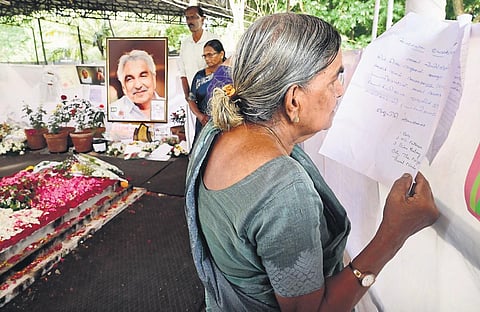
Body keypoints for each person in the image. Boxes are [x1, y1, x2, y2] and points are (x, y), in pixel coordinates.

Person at [185, 13, 439, 311]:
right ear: (294, 101)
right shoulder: (284, 193)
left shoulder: (218, 129)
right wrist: (394, 232)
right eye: (335, 78)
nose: (340, 90)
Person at [178, 5, 220, 146]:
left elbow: (225, 66)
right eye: (187, 18)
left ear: (203, 19)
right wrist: (188, 98)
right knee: (196, 137)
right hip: (193, 99)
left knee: (216, 139)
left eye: (194, 17)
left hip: (215, 98)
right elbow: (182, 73)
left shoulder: (214, 40)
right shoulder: (185, 44)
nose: (190, 21)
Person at [188, 39, 226, 145]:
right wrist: (200, 116)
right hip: (204, 123)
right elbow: (191, 99)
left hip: (224, 124)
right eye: (204, 56)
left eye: (210, 55)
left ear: (221, 54)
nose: (207, 59)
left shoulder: (230, 74)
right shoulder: (199, 76)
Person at [109, 49, 164, 121]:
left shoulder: (170, 107)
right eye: (130, 79)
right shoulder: (112, 113)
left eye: (143, 76)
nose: (138, 86)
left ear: (153, 78)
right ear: (123, 87)